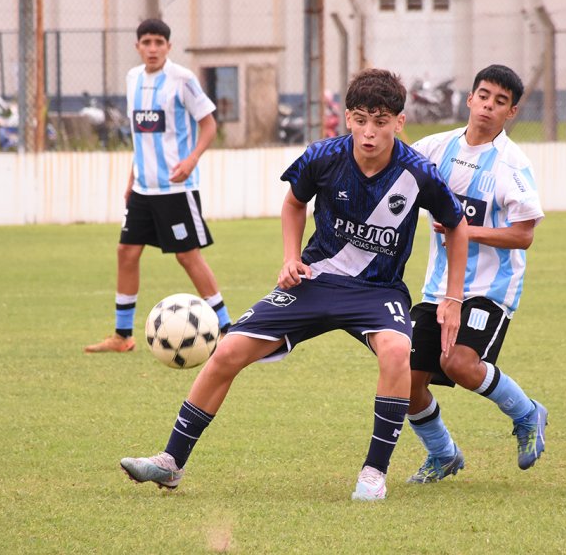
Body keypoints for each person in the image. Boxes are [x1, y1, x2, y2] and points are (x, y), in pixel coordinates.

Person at [119, 68, 469, 501]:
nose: (369, 132)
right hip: (315, 279)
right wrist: (289, 257)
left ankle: (374, 474)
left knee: (398, 351)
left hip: (378, 291)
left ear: (400, 122)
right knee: (227, 350)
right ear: (347, 118)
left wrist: (452, 297)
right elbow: (293, 203)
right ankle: (170, 462)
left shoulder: (419, 172)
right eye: (360, 119)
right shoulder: (323, 157)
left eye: (380, 122)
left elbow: (456, 226)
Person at [403, 64, 548, 484]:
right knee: (406, 382)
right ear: (470, 99)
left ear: (511, 112)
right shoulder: (438, 147)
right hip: (438, 289)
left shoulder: (511, 165)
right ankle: (443, 454)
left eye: (500, 101)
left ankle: (527, 413)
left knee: (461, 363)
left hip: (490, 288)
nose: (488, 105)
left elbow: (524, 235)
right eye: (483, 95)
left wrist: (463, 228)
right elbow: (405, 164)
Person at [85, 19, 232, 354]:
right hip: (143, 189)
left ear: (168, 46)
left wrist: (192, 159)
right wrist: (131, 178)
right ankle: (123, 336)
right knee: (126, 252)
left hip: (175, 190)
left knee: (187, 256)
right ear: (137, 46)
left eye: (158, 42)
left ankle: (227, 329)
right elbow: (141, 137)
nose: (152, 48)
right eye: (146, 42)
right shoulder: (133, 78)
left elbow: (208, 124)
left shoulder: (182, 80)